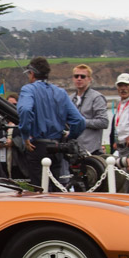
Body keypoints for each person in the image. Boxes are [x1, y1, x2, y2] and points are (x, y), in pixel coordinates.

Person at [16, 56, 85, 187]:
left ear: (31, 74)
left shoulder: (28, 89)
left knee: (39, 190)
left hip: (37, 146)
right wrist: (70, 137)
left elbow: (25, 110)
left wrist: (25, 136)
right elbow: (79, 121)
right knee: (55, 189)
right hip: (56, 148)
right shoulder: (60, 92)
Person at [70, 64, 109, 155]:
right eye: (76, 76)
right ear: (73, 78)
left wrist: (82, 122)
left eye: (83, 76)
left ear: (89, 79)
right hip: (73, 150)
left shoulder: (97, 98)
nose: (79, 79)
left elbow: (104, 122)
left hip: (91, 151)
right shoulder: (70, 99)